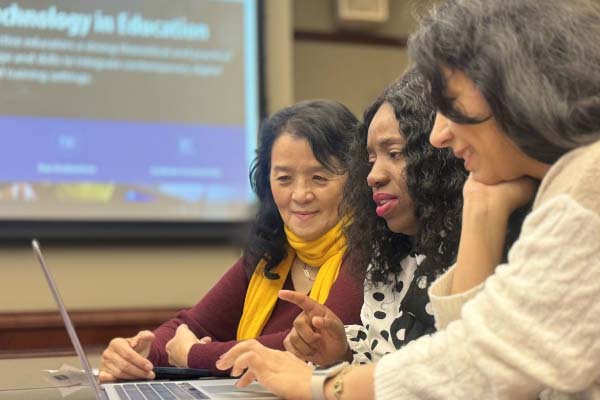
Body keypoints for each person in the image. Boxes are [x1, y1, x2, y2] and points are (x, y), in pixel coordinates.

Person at [216, 0, 600, 399]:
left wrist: (324, 386)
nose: (439, 137)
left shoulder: (588, 183)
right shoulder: (565, 181)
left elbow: (481, 364)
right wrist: (482, 202)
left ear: (514, 88)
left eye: (450, 106)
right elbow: (471, 350)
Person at [98, 100, 366, 382]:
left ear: (356, 180)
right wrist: (140, 355)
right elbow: (190, 325)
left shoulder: (370, 252)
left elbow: (302, 345)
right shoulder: (270, 254)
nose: (299, 194)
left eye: (319, 178)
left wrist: (195, 355)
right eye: (284, 179)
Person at [281, 69, 467, 367]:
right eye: (370, 160)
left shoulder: (476, 250)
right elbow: (380, 358)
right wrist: (341, 352)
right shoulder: (389, 253)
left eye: (394, 153)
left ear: (440, 157)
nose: (373, 176)